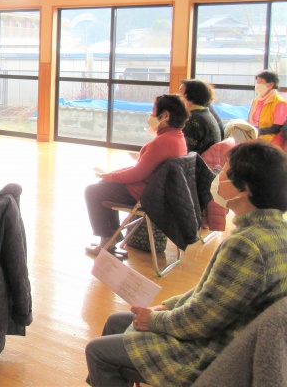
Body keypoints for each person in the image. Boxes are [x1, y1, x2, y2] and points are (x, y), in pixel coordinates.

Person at [85, 141, 287, 387]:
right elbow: (213, 295)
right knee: (116, 322)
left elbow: (201, 320)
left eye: (224, 171)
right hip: (234, 334)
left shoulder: (247, 245)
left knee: (98, 352)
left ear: (244, 188)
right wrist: (168, 306)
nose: (218, 176)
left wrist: (155, 320)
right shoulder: (275, 233)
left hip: (214, 352)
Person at [84, 95, 188, 257]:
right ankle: (109, 238)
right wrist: (113, 174)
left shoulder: (162, 142)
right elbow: (143, 167)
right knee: (103, 187)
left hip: (144, 194)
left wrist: (111, 176)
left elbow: (138, 173)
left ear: (166, 115)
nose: (151, 115)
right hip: (157, 192)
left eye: (153, 111)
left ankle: (107, 240)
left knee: (93, 191)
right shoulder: (177, 137)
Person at [178, 79, 221, 155]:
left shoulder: (194, 120)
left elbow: (182, 151)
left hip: (197, 161)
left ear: (191, 95)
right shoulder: (204, 113)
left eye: (180, 92)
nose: (177, 96)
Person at [248, 70, 285, 144]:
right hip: (254, 137)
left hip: (269, 141)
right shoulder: (256, 100)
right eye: (257, 82)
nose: (257, 85)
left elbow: (277, 128)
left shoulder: (279, 103)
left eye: (260, 82)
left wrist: (257, 131)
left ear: (270, 85)